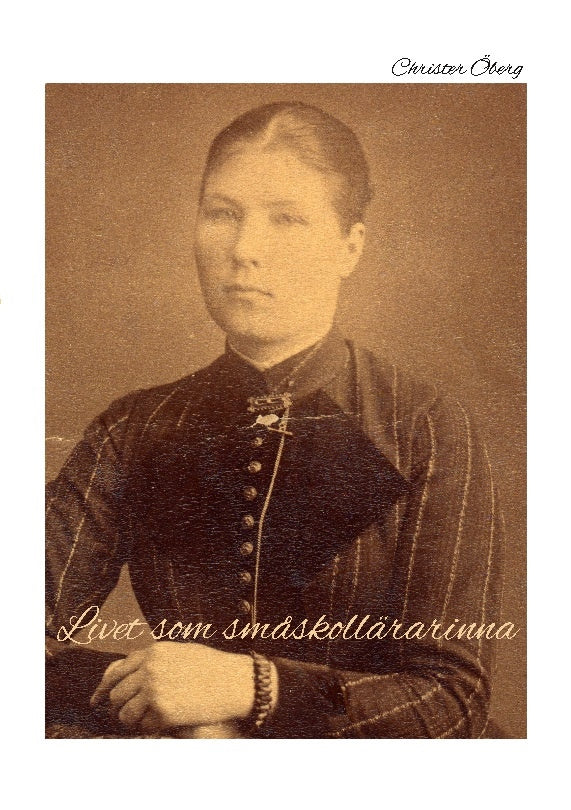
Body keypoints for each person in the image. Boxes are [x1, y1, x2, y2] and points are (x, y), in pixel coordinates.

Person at [45, 101, 505, 738]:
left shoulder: (423, 427)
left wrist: (251, 691)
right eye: (222, 213)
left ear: (349, 247)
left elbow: (454, 698)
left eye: (286, 218)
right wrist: (160, 701)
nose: (245, 250)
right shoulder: (131, 431)